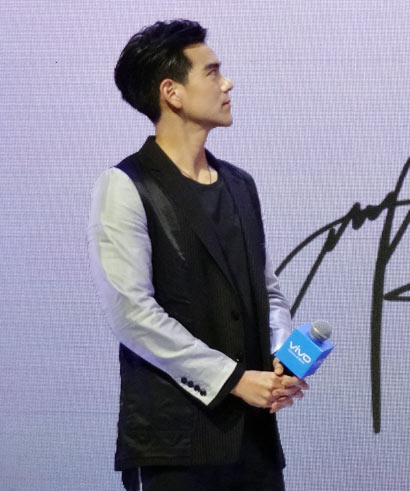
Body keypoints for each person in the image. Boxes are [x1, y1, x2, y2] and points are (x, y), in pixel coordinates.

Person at [87, 19, 307, 490]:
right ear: (172, 93)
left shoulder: (240, 184)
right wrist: (233, 379)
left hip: (255, 441)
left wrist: (282, 359)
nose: (227, 84)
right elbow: (132, 313)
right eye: (212, 72)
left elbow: (266, 292)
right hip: (175, 444)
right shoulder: (125, 186)